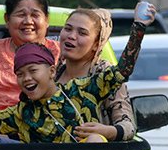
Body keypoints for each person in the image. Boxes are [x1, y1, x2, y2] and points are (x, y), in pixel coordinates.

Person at [0, 4, 156, 143]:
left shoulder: (87, 85)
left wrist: (139, 27)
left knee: (96, 139)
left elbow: (123, 72)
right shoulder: (21, 112)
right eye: (19, 73)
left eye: (32, 71)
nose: (27, 78)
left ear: (49, 71)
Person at [54, 8, 135, 141]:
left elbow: (128, 127)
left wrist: (107, 131)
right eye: (68, 29)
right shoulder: (52, 73)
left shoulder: (106, 74)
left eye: (82, 33)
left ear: (96, 44)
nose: (71, 36)